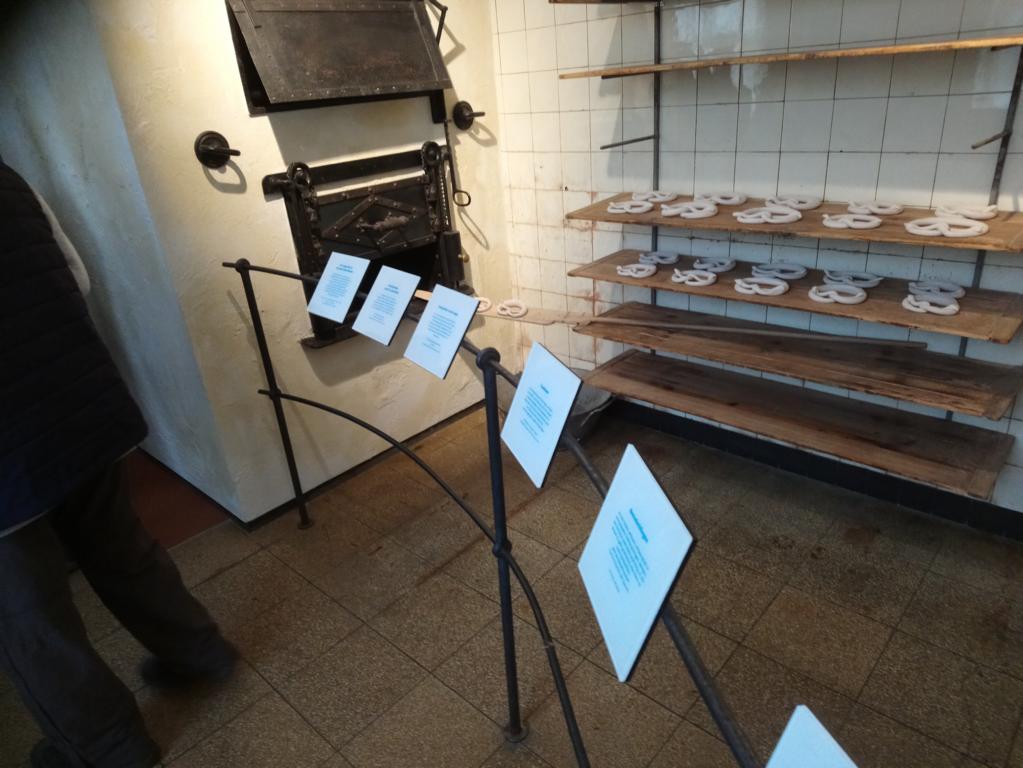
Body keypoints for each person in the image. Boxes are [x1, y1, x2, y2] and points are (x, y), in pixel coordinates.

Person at [0, 159, 237, 768]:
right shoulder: (9, 177)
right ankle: (199, 651)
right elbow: (76, 277)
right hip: (76, 402)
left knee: (27, 613)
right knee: (121, 547)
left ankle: (109, 747)